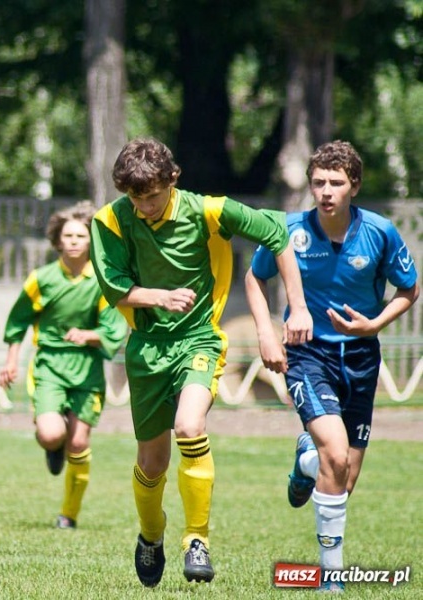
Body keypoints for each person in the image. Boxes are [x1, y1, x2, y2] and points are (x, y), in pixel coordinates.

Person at [89, 137, 313, 586]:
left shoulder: (209, 211)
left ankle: (197, 540)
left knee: (190, 427)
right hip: (147, 348)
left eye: (153, 196)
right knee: (152, 462)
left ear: (173, 179)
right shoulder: (110, 220)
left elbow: (277, 232)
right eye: (135, 197)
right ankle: (151, 535)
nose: (145, 206)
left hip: (199, 340)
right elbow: (114, 287)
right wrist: (159, 297)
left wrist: (298, 308)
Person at [245, 140, 418, 592]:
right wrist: (267, 333)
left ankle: (305, 463)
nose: (326, 191)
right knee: (336, 456)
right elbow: (254, 276)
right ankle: (331, 580)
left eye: (336, 183)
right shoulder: (289, 231)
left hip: (361, 357)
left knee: (343, 478)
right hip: (308, 355)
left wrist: (374, 324)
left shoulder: (379, 232)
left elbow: (409, 289)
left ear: (354, 186)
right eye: (319, 182)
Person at [0, 201, 127, 531]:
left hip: (87, 368)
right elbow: (18, 321)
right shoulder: (41, 279)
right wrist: (11, 361)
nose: (73, 241)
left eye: (80, 236)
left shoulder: (103, 281)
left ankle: (68, 515)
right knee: (51, 433)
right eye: (67, 235)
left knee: (79, 444)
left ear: (91, 241)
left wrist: (90, 335)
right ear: (57, 240)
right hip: (50, 366)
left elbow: (114, 328)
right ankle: (53, 445)